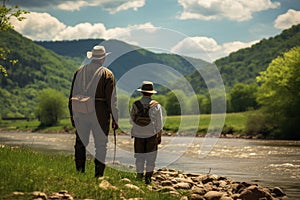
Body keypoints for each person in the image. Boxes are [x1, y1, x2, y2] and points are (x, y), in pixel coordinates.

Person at [68, 45, 118, 178]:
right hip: (100, 114)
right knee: (100, 145)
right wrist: (115, 119)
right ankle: (98, 176)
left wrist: (72, 116)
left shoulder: (79, 72)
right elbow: (112, 100)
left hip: (80, 113)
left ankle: (80, 172)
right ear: (103, 58)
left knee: (80, 143)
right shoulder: (108, 74)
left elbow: (71, 95)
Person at [130, 81, 163, 184]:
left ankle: (139, 177)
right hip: (151, 135)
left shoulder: (135, 104)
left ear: (142, 92)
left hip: (138, 135)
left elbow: (131, 120)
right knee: (151, 158)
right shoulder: (156, 105)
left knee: (139, 157)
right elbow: (159, 123)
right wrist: (159, 136)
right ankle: (148, 179)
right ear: (152, 93)